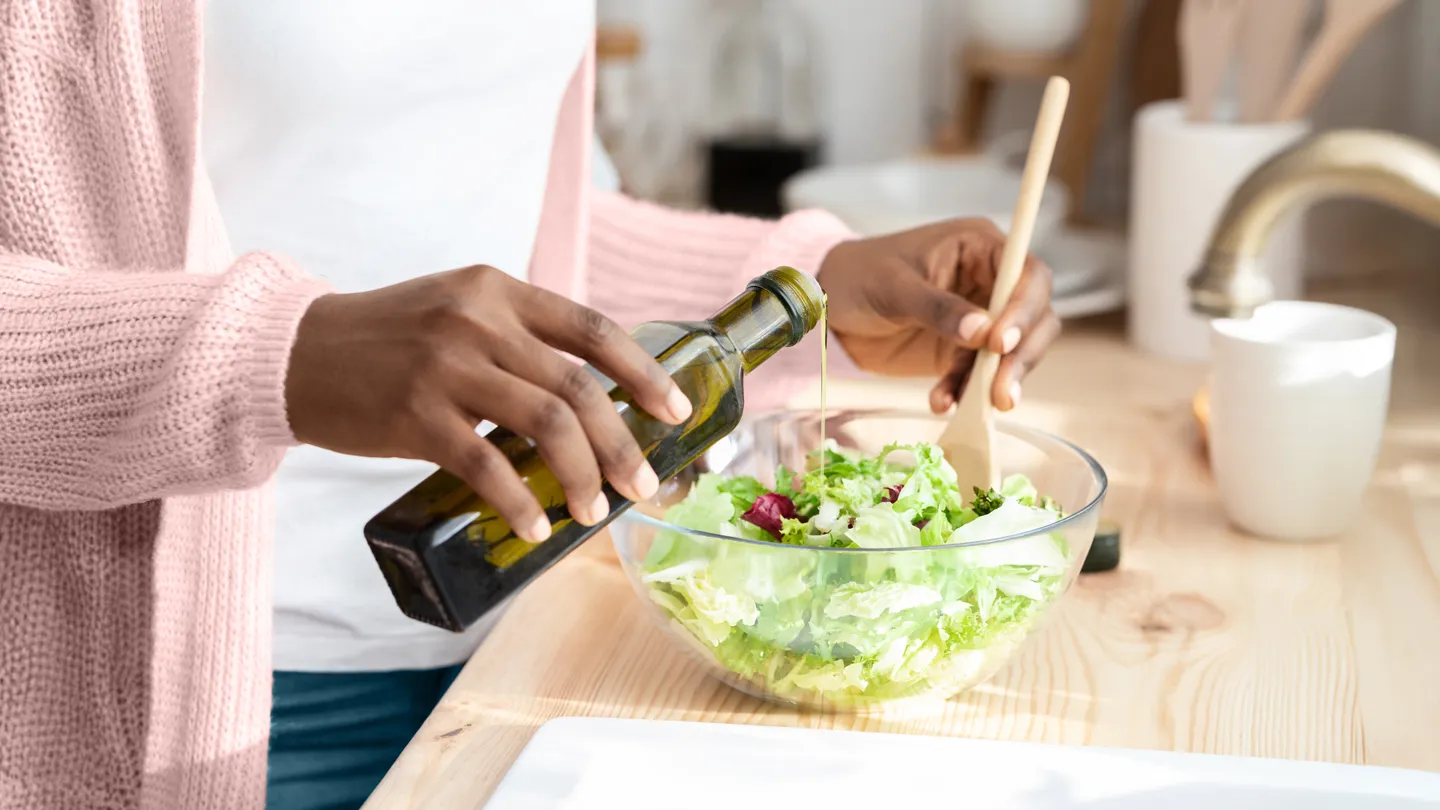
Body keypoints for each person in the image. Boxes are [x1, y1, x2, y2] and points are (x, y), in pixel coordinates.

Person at [0, 3, 1059, 810]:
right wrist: (278, 357)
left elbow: (497, 212)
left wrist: (806, 294)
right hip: (202, 708)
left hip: (523, 652)